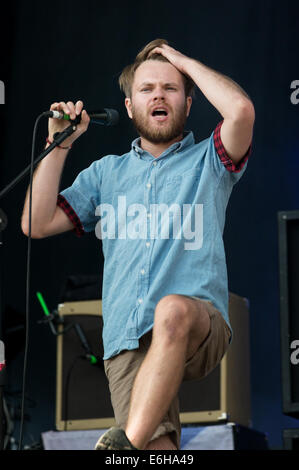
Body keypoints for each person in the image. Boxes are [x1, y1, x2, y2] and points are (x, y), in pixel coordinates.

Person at [21, 39, 255, 450]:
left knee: (172, 309)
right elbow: (35, 223)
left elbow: (240, 111)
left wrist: (177, 59)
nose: (159, 95)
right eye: (147, 89)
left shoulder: (210, 162)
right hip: (126, 339)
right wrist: (58, 144)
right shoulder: (106, 174)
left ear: (188, 102)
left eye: (170, 88)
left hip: (197, 323)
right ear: (130, 106)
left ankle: (121, 448)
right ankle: (130, 448)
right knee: (155, 454)